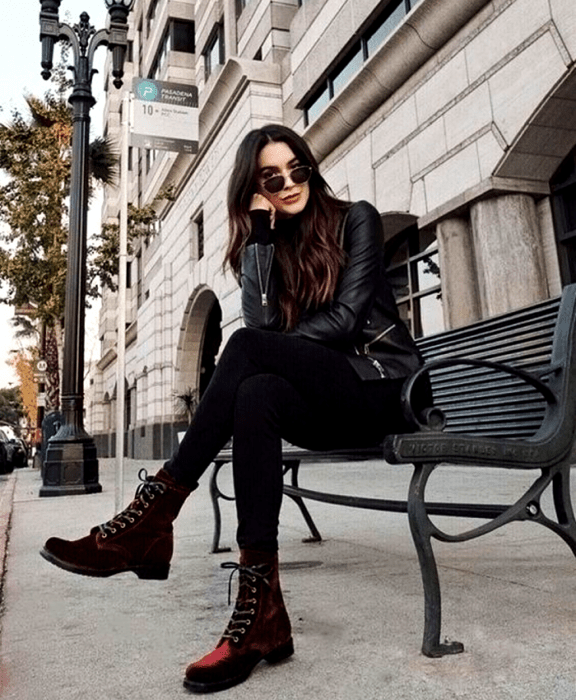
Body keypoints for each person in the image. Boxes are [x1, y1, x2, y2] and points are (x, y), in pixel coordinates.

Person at [40, 124, 428, 693]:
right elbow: (266, 326)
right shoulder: (264, 246)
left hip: (383, 389)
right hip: (322, 399)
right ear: (254, 187)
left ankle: (153, 517)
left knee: (247, 351)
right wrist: (262, 243)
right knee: (255, 391)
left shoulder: (357, 218)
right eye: (273, 176)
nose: (291, 182)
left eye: (299, 169)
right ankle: (262, 614)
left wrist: (277, 344)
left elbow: (345, 322)